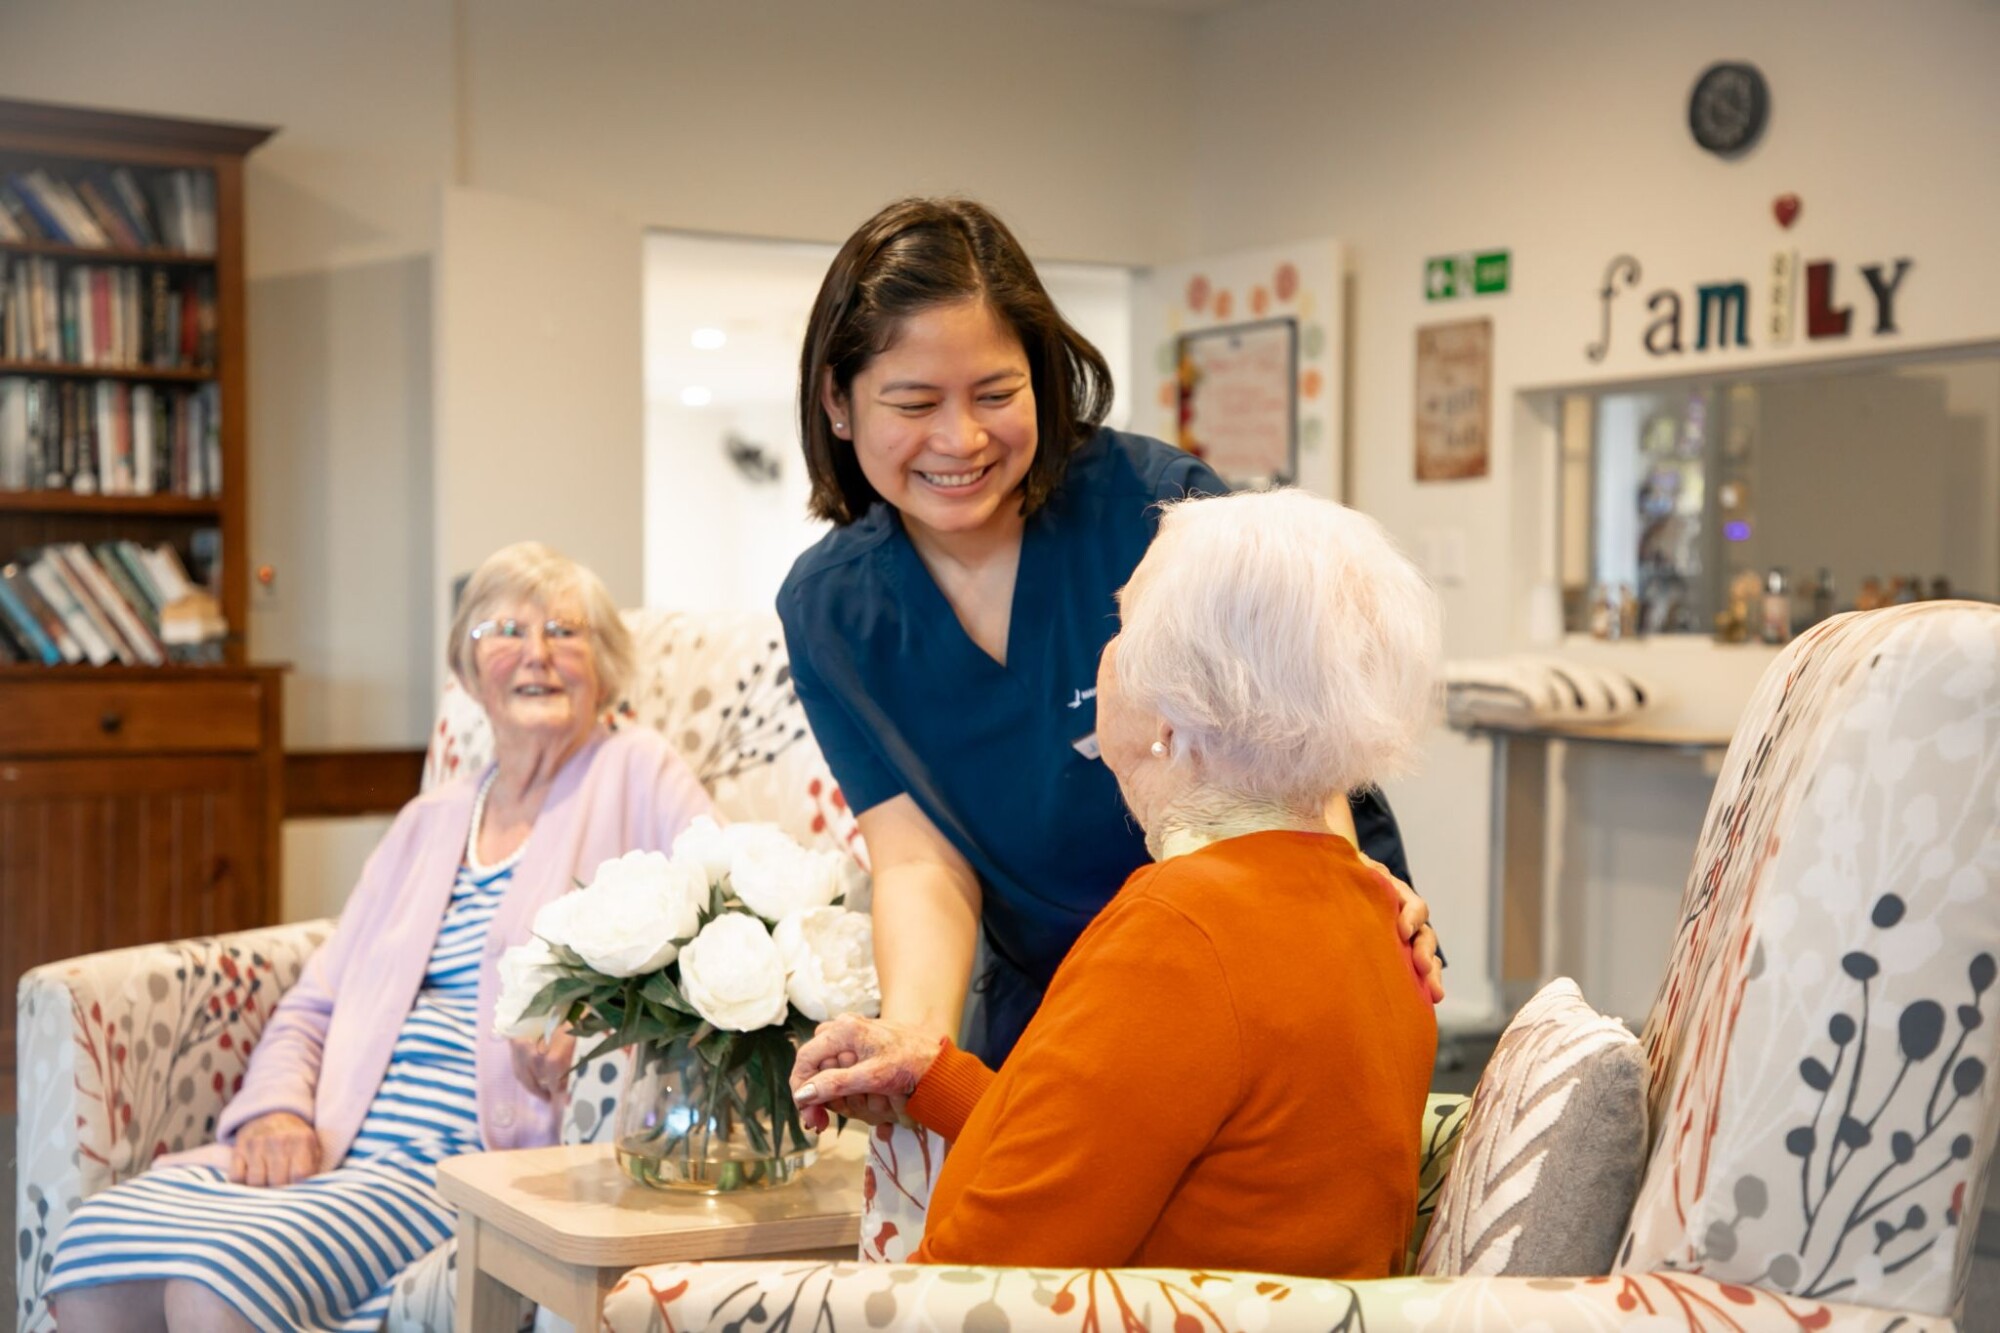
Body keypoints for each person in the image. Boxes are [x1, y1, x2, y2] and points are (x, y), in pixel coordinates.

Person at [776, 196, 1441, 1070]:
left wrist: (1333, 936)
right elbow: (918, 862)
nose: (960, 437)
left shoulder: (1157, 509)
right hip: (1060, 1000)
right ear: (838, 401)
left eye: (996, 393)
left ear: (1041, 376)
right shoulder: (830, 609)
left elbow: (1290, 763)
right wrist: (913, 1043)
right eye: (914, 402)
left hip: (1255, 957)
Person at [47, 542, 712, 1333]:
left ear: (603, 667)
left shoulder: (635, 769)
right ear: (468, 671)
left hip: (462, 1167)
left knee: (216, 1284)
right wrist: (276, 1113)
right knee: (90, 1253)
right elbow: (314, 1003)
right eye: (506, 630)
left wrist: (605, 1021)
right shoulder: (428, 820)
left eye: (565, 632)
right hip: (334, 1148)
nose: (537, 652)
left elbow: (724, 919)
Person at [791, 488, 1441, 1275]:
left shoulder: (1178, 934)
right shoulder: (1373, 911)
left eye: (1123, 628)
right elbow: (1131, 1144)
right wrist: (935, 1076)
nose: (1101, 656)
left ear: (1173, 717)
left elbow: (975, 1284)